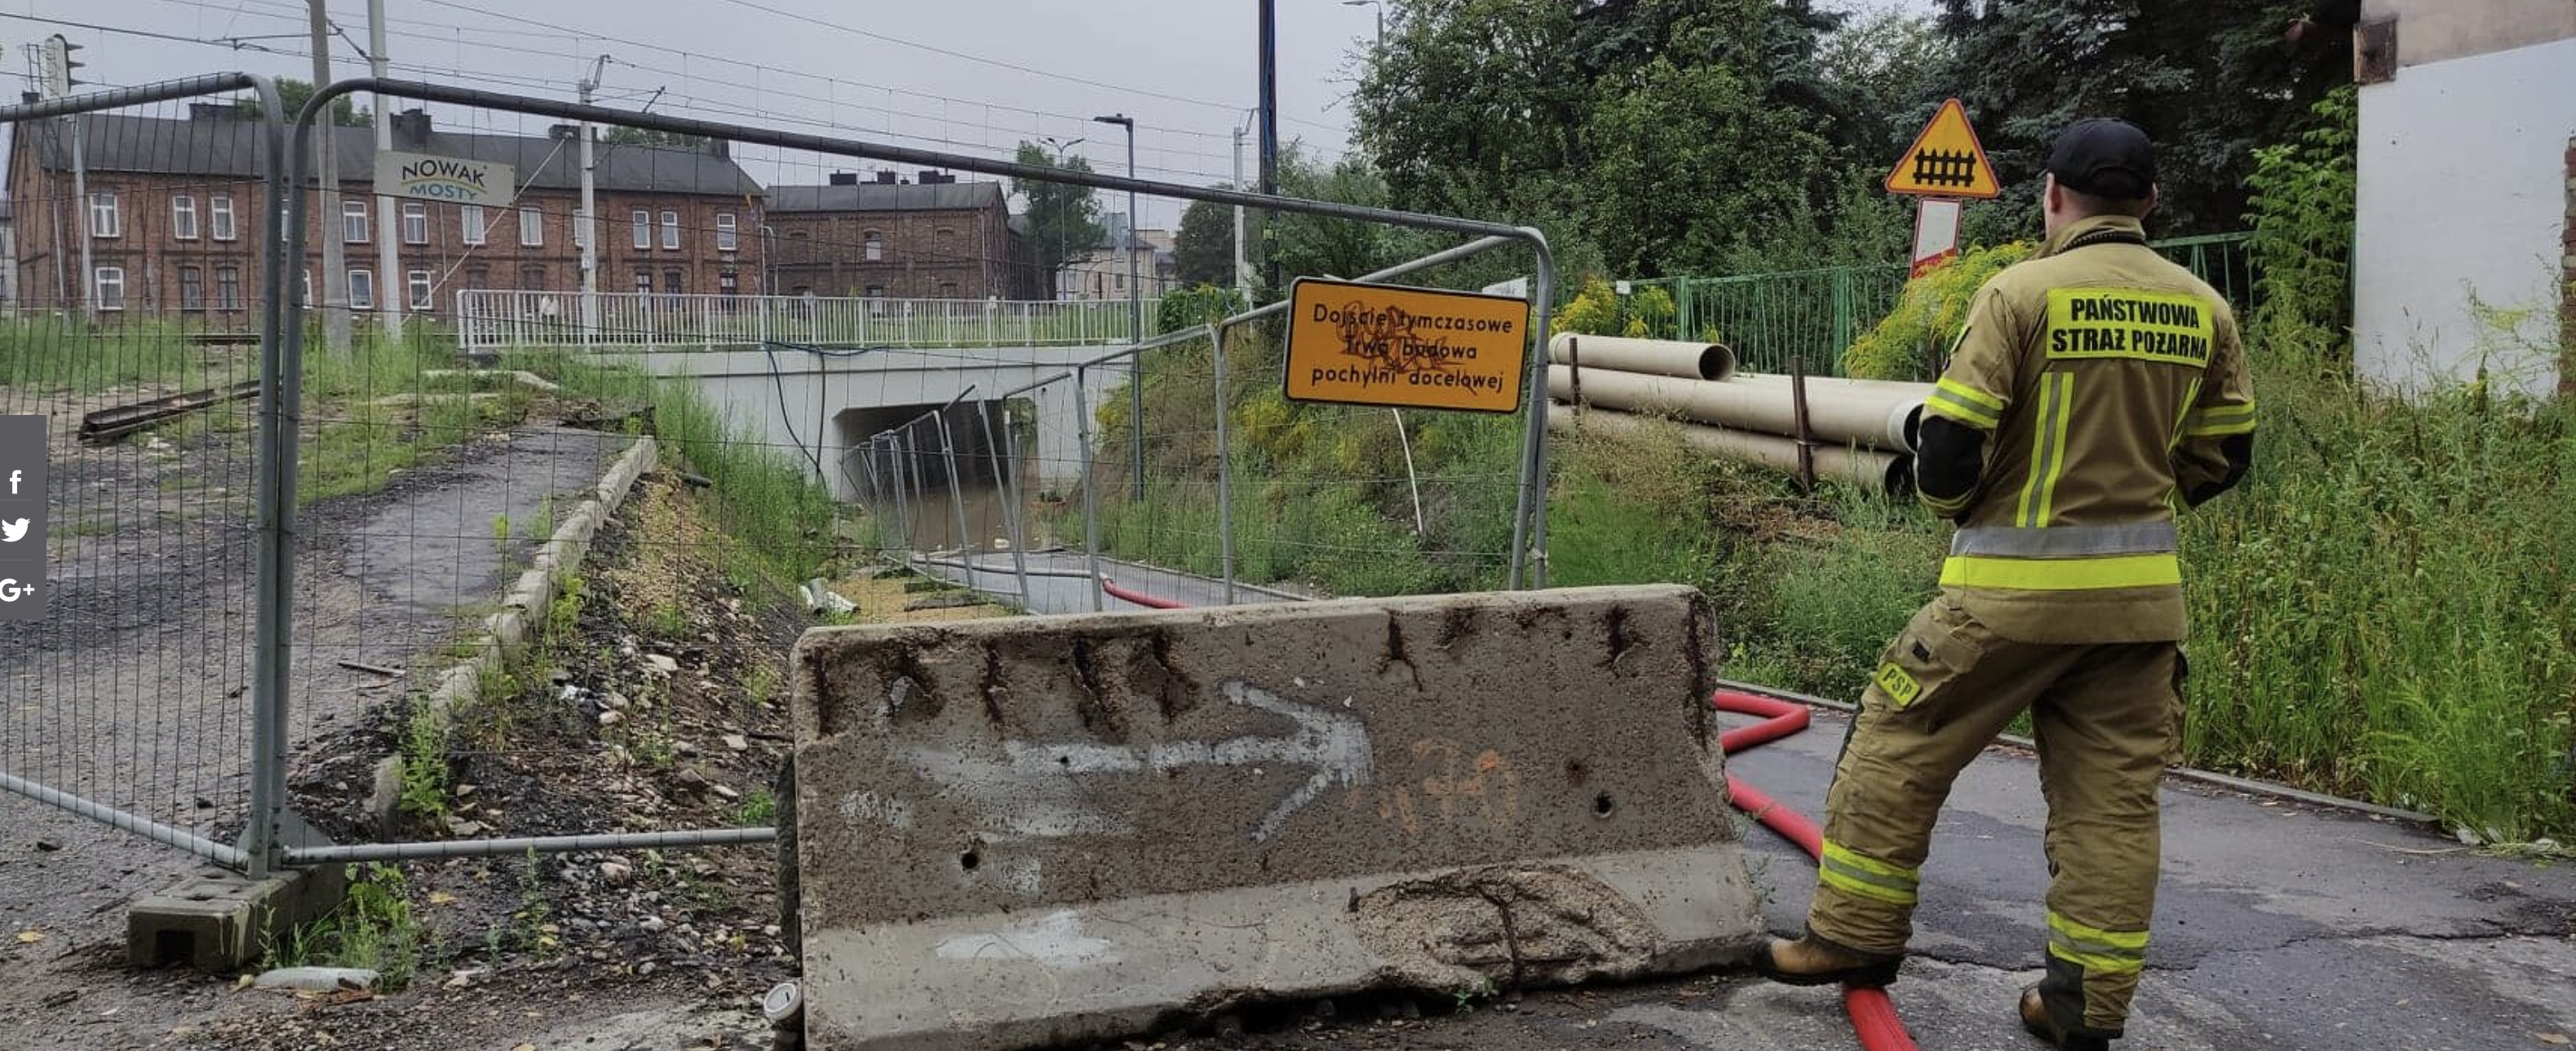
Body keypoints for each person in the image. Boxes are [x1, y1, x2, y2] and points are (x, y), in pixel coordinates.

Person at [1754, 117, 2256, 1051]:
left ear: (2051, 196)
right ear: (2149, 202)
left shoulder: (2018, 292)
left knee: (1896, 734)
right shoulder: (2202, 307)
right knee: (2111, 803)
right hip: (2138, 612)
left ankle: (1851, 935)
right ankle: (2081, 1006)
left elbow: (1949, 441)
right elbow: (2226, 453)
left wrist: (1955, 504)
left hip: (2003, 600)